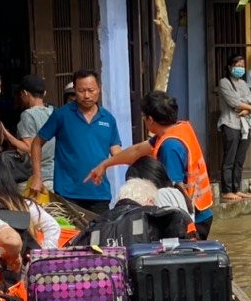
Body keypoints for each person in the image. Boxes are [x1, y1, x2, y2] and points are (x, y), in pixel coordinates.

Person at [85, 90, 215, 239]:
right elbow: (138, 150)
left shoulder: (170, 146)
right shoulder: (178, 129)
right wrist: (105, 164)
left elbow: (173, 192)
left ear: (150, 120)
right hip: (201, 210)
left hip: (192, 217)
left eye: (144, 117)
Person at [30, 69, 121, 215]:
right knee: (69, 237)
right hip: (67, 193)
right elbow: (36, 143)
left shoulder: (108, 119)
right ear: (75, 91)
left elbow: (117, 152)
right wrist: (37, 177)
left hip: (99, 193)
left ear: (99, 89)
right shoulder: (61, 115)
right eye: (81, 91)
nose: (86, 95)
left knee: (99, 236)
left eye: (90, 90)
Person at [0, 154, 61, 250]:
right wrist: (44, 253)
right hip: (23, 259)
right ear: (10, 180)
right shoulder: (25, 204)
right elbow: (52, 226)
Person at [216, 55, 251, 201]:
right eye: (237, 65)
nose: (240, 68)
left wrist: (249, 109)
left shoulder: (243, 83)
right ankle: (226, 190)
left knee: (239, 159)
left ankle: (236, 188)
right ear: (229, 67)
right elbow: (234, 102)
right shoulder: (224, 82)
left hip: (244, 126)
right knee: (230, 158)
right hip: (230, 124)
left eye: (242, 65)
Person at [16, 75, 54, 192]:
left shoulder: (28, 115)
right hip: (55, 176)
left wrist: (6, 136)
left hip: (37, 180)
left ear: (25, 93)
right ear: (45, 93)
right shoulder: (54, 112)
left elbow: (29, 148)